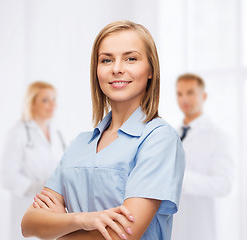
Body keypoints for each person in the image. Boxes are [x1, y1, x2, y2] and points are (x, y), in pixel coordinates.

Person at [21, 20, 185, 240]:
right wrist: (81, 220)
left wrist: (58, 228)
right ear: (96, 71)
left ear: (150, 71)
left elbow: (123, 234)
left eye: (131, 58)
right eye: (106, 60)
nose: (117, 68)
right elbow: (29, 224)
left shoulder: (159, 139)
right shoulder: (80, 144)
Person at [0, 81, 66, 240]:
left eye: (53, 99)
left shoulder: (56, 132)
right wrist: (36, 187)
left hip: (52, 206)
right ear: (32, 103)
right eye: (45, 100)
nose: (52, 104)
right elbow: (6, 176)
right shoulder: (19, 132)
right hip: (27, 204)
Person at [171, 73, 235, 240]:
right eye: (180, 93)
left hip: (201, 228)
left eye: (190, 92)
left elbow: (224, 184)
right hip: (174, 226)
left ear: (203, 96)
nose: (184, 99)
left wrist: (180, 180)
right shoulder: (171, 136)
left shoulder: (218, 137)